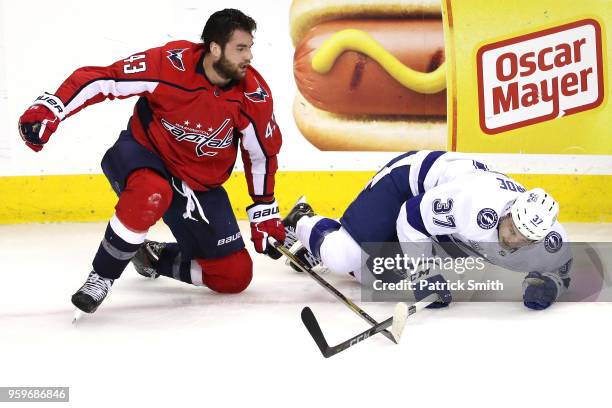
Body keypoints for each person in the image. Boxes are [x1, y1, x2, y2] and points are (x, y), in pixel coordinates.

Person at [17, 9, 286, 314]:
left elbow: (261, 154)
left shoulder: (254, 95)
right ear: (214, 47)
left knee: (234, 275)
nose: (249, 56)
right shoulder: (169, 64)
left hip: (198, 183)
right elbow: (106, 79)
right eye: (240, 48)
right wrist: (53, 108)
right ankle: (102, 276)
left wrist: (264, 207)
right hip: (145, 154)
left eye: (250, 47)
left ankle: (152, 257)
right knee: (151, 192)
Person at [283, 150, 573, 310]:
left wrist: (548, 284)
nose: (512, 240)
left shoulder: (550, 238)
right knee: (340, 257)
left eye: (524, 239)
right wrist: (425, 275)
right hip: (408, 183)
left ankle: (327, 240)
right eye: (511, 227)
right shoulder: (472, 205)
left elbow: (562, 266)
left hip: (438, 212)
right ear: (508, 210)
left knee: (379, 276)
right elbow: (412, 217)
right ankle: (303, 221)